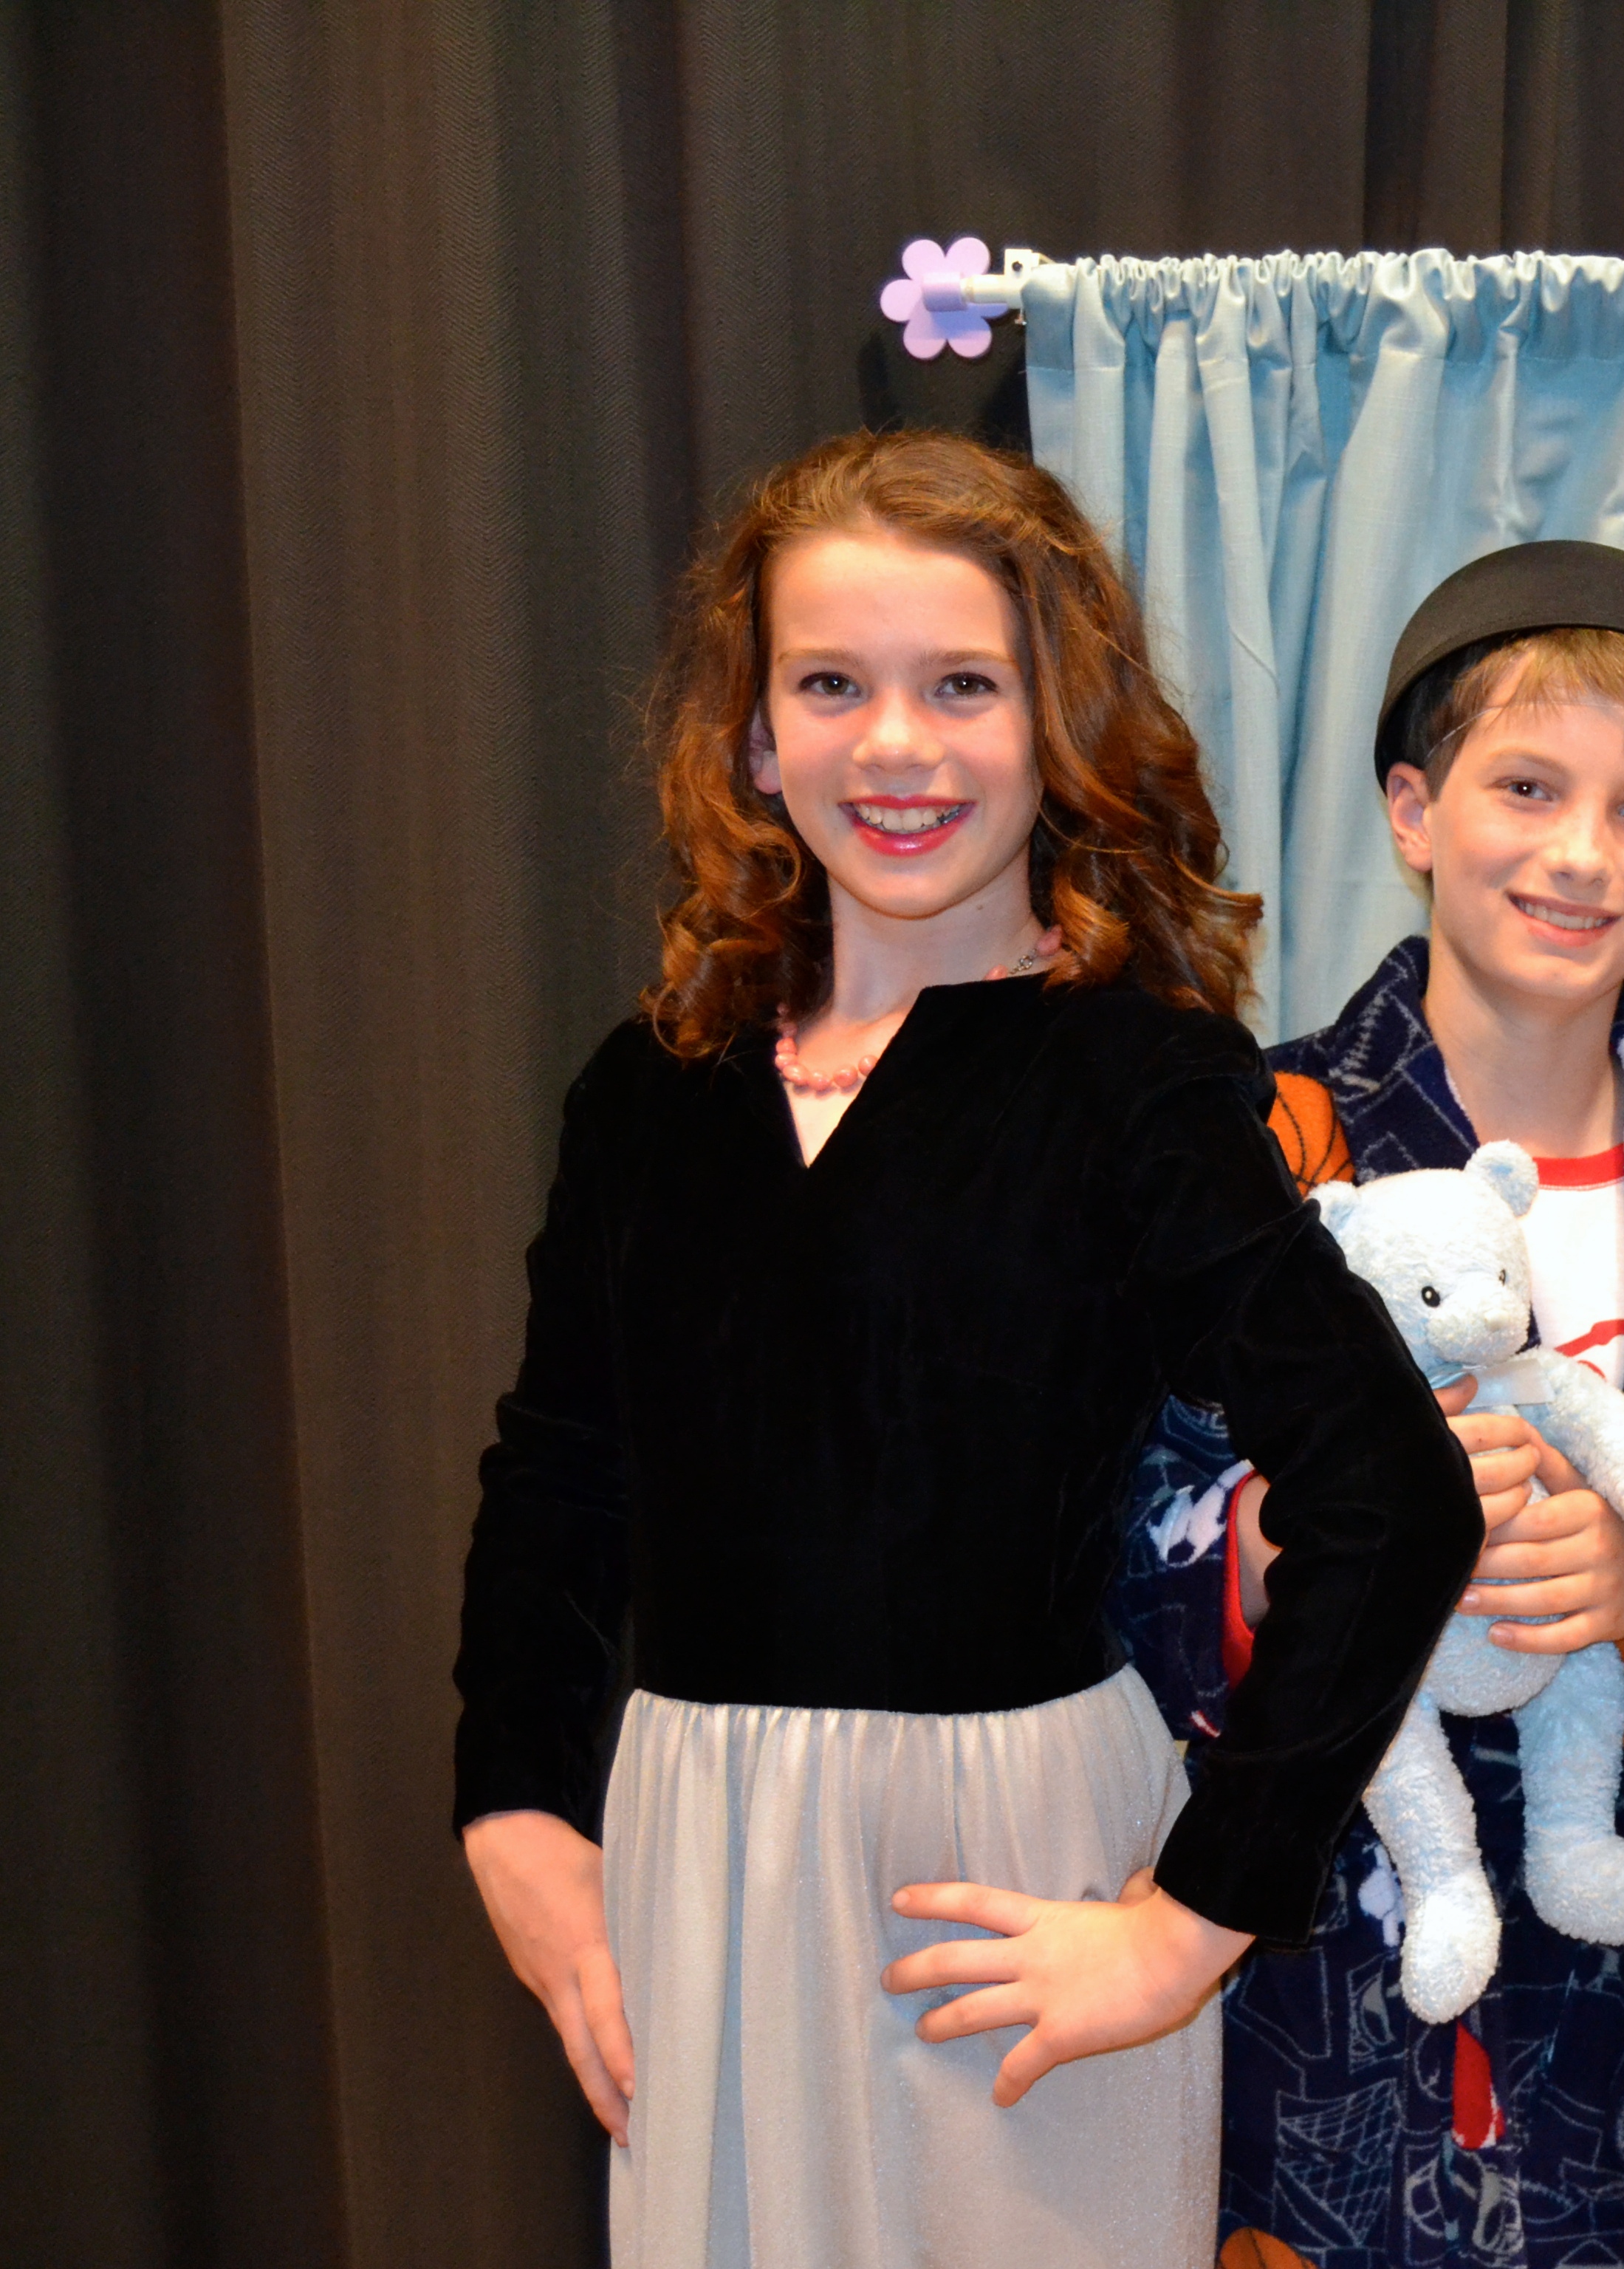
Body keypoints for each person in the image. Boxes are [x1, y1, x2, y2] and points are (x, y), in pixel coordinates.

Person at [451, 431, 1484, 2269]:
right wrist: (515, 1808)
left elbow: (1391, 1494)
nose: (896, 746)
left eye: (962, 686)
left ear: (1058, 722)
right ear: (751, 735)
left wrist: (1187, 1924)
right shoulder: (651, 1091)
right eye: (830, 685)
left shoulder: (1133, 1082)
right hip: (695, 1860)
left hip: (1005, 1895)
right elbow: (562, 1472)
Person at [1109, 542, 1624, 2268]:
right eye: (1527, 787)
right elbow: (1083, 1534)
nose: (1583, 853)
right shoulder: (1246, 1151)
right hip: (1310, 2034)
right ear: (1413, 808)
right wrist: (1275, 1547)